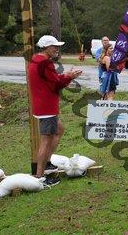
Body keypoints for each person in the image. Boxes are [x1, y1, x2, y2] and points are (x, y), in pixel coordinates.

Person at [29, 35, 82, 186]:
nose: (57, 49)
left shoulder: (36, 60)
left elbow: (51, 79)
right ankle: (40, 176)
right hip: (47, 107)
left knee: (59, 129)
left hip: (42, 105)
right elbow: (56, 84)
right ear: (46, 47)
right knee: (46, 141)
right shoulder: (46, 63)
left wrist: (66, 76)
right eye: (54, 46)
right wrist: (69, 77)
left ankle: (46, 163)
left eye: (58, 46)